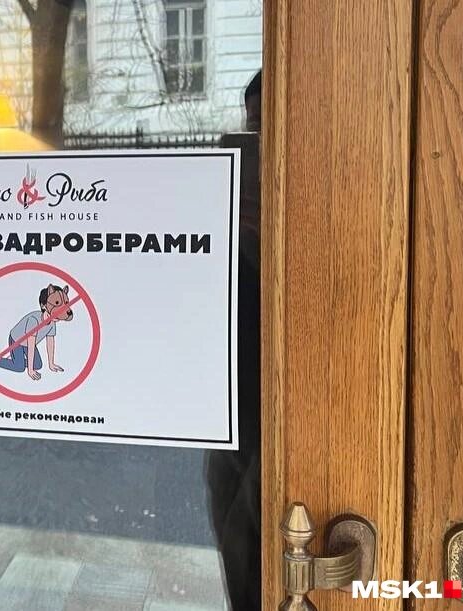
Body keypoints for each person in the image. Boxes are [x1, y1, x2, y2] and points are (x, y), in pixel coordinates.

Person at [207, 69, 262, 610]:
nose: (258, 140)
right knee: (234, 541)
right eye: (252, 126)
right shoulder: (231, 193)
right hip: (229, 402)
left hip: (290, 407)